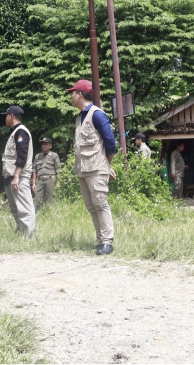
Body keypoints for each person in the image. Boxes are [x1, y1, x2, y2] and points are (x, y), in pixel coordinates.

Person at [67, 80, 118, 255]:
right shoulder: (79, 118)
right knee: (91, 206)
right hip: (83, 169)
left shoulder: (97, 114)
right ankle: (100, 240)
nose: (71, 96)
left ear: (80, 94)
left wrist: (106, 165)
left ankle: (107, 241)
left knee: (100, 203)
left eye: (72, 93)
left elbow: (111, 143)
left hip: (96, 168)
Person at [1, 106, 36, 236]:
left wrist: (16, 176)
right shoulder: (15, 132)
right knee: (16, 209)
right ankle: (22, 234)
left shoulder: (21, 132)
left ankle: (28, 237)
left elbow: (22, 155)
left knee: (25, 208)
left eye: (6, 116)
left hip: (19, 177)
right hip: (12, 177)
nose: (5, 119)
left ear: (11, 116)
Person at [31, 137, 61, 208]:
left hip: (50, 179)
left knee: (51, 199)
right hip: (40, 180)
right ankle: (37, 214)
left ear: (50, 146)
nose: (43, 146)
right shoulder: (37, 156)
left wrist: (58, 182)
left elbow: (58, 170)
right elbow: (34, 170)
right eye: (42, 144)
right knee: (37, 200)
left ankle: (52, 214)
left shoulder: (54, 155)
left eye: (45, 144)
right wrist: (33, 183)